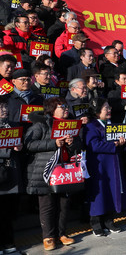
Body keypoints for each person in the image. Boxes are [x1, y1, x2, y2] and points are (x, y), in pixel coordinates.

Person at [24, 97, 80, 251]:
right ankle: (48, 237)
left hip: (64, 170)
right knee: (47, 205)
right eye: (62, 107)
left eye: (67, 107)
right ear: (51, 109)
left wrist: (72, 143)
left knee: (64, 204)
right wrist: (53, 143)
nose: (66, 109)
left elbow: (79, 144)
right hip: (46, 171)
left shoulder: (70, 124)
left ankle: (61, 233)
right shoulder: (41, 124)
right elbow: (28, 144)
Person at [84, 98, 126, 237]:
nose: (109, 110)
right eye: (106, 108)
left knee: (111, 191)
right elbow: (93, 145)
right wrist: (114, 145)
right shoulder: (90, 125)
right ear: (97, 112)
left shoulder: (111, 124)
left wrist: (122, 143)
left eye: (109, 107)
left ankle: (109, 221)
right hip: (98, 165)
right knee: (99, 193)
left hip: (113, 163)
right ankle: (96, 223)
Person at [0, 97, 24, 254]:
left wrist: (19, 146)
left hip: (12, 172)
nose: (4, 110)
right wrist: (8, 149)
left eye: (5, 107)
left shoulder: (13, 125)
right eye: (1, 108)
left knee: (8, 213)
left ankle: (8, 242)